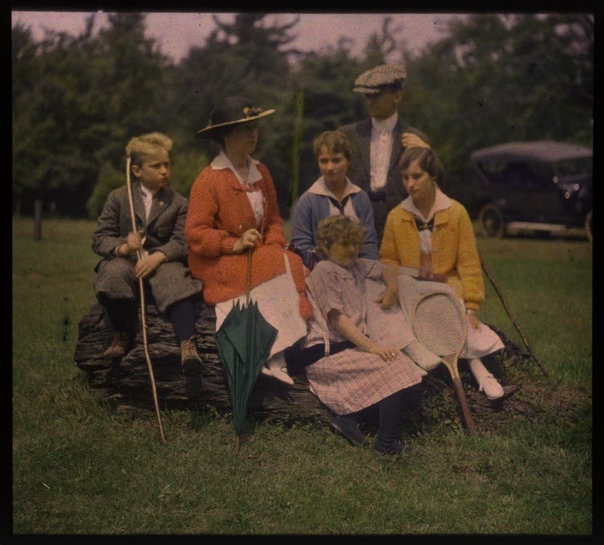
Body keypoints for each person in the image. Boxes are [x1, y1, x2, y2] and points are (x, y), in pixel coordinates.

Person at [185, 96, 313, 386]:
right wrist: (234, 244)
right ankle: (265, 355)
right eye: (244, 129)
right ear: (225, 135)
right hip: (217, 261)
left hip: (256, 255)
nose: (253, 134)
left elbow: (275, 221)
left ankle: (276, 357)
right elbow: (196, 233)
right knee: (274, 266)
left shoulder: (261, 172)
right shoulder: (209, 180)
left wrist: (273, 242)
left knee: (284, 260)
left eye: (254, 127)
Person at [380, 147, 505, 400]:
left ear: (432, 175)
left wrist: (471, 308)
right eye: (405, 177)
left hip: (447, 283)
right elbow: (388, 259)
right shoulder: (397, 216)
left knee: (452, 303)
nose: (410, 184)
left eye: (417, 176)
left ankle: (478, 369)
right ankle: (419, 365)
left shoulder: (456, 212)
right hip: (411, 285)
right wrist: (392, 284)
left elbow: (469, 263)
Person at [302, 215, 428, 455]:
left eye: (355, 243)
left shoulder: (357, 265)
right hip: (325, 353)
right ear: (326, 246)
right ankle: (387, 443)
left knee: (398, 364)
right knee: (394, 366)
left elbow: (387, 268)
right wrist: (372, 347)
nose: (352, 249)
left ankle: (348, 418)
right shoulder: (324, 271)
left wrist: (392, 289)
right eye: (345, 244)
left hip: (347, 349)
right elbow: (338, 320)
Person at [92, 132, 204, 375]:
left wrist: (159, 256)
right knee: (113, 273)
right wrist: (123, 247)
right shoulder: (119, 198)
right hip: (128, 262)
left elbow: (182, 241)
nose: (164, 170)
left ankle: (188, 343)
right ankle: (122, 334)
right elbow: (100, 238)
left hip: (162, 263)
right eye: (156, 166)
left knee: (175, 278)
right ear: (136, 171)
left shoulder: (178, 202)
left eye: (167, 164)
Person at [338, 63, 430, 243]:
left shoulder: (416, 139)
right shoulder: (347, 135)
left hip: (401, 219)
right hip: (355, 219)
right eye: (367, 96)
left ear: (397, 96)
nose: (370, 101)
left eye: (377, 95)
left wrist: (427, 153)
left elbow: (434, 185)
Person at [289, 129, 379, 269]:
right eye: (324, 161)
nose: (330, 167)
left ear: (348, 161)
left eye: (336, 160)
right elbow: (301, 250)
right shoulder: (307, 201)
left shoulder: (360, 198)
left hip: (360, 272)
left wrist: (365, 273)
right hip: (321, 274)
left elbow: (369, 245)